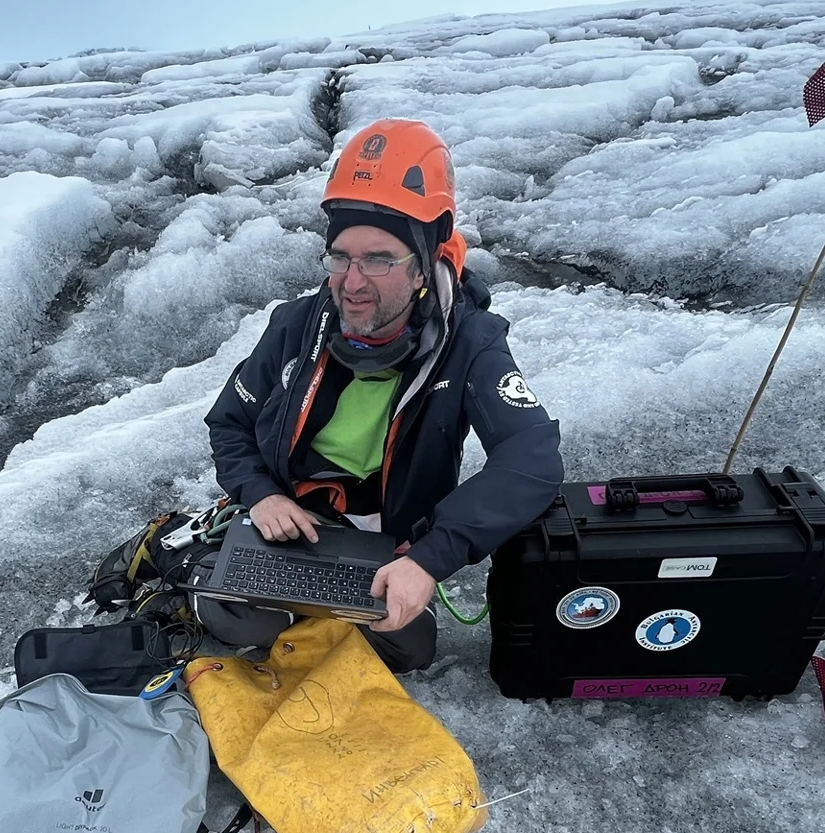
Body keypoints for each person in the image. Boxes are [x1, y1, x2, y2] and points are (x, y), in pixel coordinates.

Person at [202, 118, 564, 672]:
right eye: (341, 257)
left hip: (382, 544)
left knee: (409, 649)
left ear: (423, 264)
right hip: (286, 526)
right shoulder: (297, 325)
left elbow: (532, 457)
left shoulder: (470, 343)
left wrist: (428, 560)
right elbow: (229, 421)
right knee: (235, 619)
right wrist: (260, 495)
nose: (352, 282)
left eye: (379, 259)